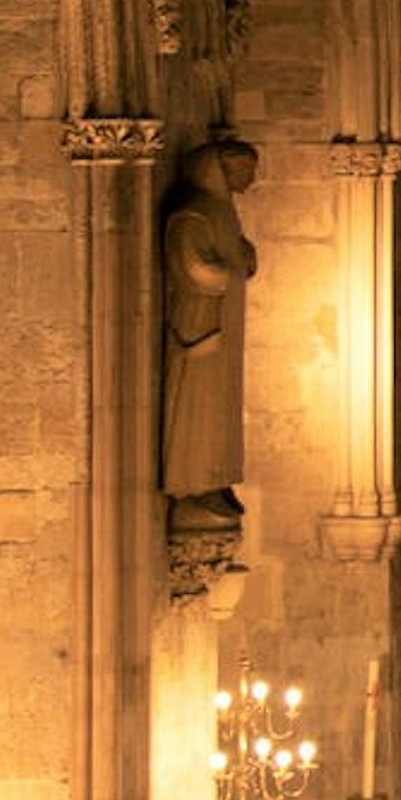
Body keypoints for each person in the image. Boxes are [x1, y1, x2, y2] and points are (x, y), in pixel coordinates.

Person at [158, 133, 260, 531]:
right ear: (222, 168)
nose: (250, 180)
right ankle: (193, 481)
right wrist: (235, 271)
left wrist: (243, 261)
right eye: (245, 171)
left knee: (219, 408)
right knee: (197, 406)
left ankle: (215, 479)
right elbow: (195, 267)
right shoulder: (194, 213)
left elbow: (231, 260)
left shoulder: (221, 212)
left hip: (222, 330)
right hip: (200, 327)